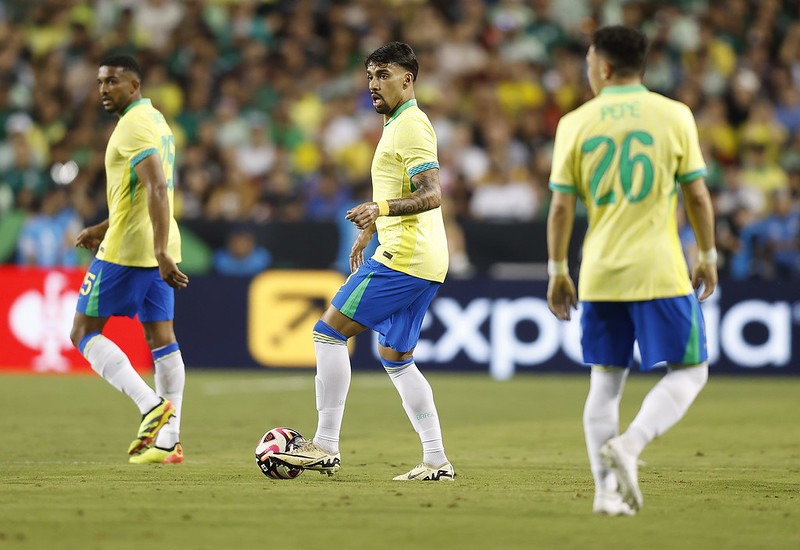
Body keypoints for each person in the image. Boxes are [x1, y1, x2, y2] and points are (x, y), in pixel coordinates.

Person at [546, 26, 717, 516]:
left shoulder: (575, 122)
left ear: (602, 67)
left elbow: (560, 209)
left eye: (587, 64)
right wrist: (707, 255)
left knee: (605, 382)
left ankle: (605, 495)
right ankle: (632, 444)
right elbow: (698, 195)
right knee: (691, 372)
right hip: (659, 269)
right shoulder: (674, 115)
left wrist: (558, 269)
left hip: (600, 272)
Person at [272, 42, 454, 481]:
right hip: (424, 259)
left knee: (327, 332)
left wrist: (380, 211)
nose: (373, 84)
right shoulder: (396, 125)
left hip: (404, 260)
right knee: (396, 357)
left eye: (384, 75)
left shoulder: (411, 126)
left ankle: (326, 446)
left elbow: (432, 194)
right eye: (370, 76)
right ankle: (436, 461)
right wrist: (373, 227)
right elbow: (404, 189)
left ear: (407, 79)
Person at [69, 55, 189, 464]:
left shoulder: (133, 125)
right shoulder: (155, 121)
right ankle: (169, 441)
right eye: (100, 82)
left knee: (82, 331)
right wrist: (103, 226)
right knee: (162, 339)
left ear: (134, 85)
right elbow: (139, 195)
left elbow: (156, 187)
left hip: (133, 249)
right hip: (156, 241)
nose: (103, 89)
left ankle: (149, 405)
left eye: (113, 82)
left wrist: (156, 253)